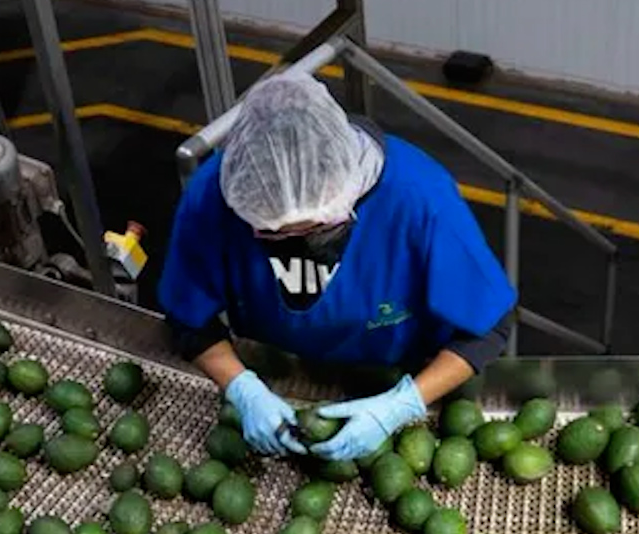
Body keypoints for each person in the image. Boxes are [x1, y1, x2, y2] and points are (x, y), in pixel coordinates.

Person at [158, 72, 515, 461]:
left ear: (345, 196)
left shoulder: (419, 199)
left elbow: (489, 327)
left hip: (394, 371)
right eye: (270, 233)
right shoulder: (216, 195)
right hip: (279, 375)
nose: (292, 240)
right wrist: (244, 388)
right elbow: (188, 318)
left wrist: (401, 405)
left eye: (313, 227)